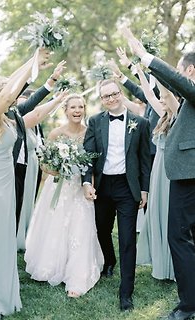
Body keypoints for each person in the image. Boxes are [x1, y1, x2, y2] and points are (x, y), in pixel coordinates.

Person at [122, 25, 195, 320]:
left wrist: (143, 55)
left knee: (178, 237)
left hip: (188, 175)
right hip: (185, 173)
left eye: (182, 70)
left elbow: (177, 84)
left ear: (190, 70)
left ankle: (189, 306)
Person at [0, 48, 45, 319]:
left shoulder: (6, 118)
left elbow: (13, 97)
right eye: (6, 94)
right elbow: (10, 93)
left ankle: (1, 290)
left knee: (3, 239)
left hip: (5, 188)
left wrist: (33, 62)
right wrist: (31, 61)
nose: (12, 98)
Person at [24, 93, 104, 298]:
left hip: (80, 187)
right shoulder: (56, 134)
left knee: (81, 228)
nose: (77, 111)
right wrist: (55, 170)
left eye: (81, 107)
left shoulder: (90, 133)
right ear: (66, 110)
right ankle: (49, 266)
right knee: (55, 226)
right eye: (73, 107)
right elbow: (44, 163)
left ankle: (77, 276)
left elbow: (93, 164)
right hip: (58, 187)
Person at [82, 78, 151, 311]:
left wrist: (144, 189)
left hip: (126, 186)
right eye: (105, 96)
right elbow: (87, 156)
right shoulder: (94, 121)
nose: (110, 99)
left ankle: (126, 292)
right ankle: (109, 261)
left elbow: (144, 159)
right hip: (102, 186)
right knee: (102, 229)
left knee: (127, 238)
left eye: (113, 94)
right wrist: (85, 182)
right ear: (101, 100)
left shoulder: (140, 123)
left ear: (120, 94)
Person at [135, 65, 178, 281]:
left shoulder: (180, 116)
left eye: (165, 98)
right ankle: (160, 264)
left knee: (169, 216)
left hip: (170, 174)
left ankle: (172, 266)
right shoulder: (163, 116)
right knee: (156, 215)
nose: (161, 100)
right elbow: (150, 93)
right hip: (156, 173)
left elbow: (166, 93)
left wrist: (150, 62)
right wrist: (142, 72)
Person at [16, 88, 67, 250]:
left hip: (34, 164)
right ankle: (18, 236)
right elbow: (38, 112)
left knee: (30, 198)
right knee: (22, 200)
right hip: (23, 165)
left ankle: (25, 231)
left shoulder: (36, 125)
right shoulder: (23, 121)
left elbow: (40, 138)